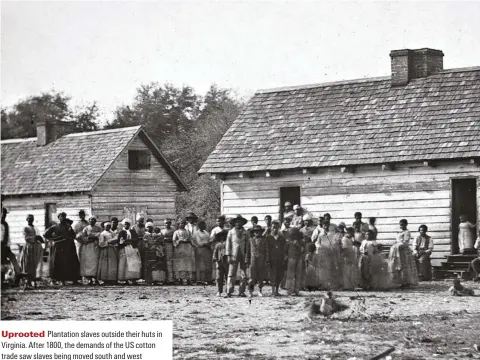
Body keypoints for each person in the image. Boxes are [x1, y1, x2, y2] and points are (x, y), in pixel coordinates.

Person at [44, 212, 81, 285]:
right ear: (59, 218)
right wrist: (53, 239)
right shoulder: (54, 227)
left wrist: (69, 237)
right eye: (61, 216)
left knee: (70, 262)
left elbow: (73, 235)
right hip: (59, 247)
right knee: (59, 263)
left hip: (68, 247)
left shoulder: (68, 226)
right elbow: (45, 234)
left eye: (64, 216)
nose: (63, 218)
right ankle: (61, 280)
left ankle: (73, 280)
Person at [388, 219, 418, 288]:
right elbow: (397, 241)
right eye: (400, 224)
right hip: (397, 250)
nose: (401, 226)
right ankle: (401, 281)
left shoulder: (407, 232)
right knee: (398, 265)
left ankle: (407, 282)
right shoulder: (399, 232)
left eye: (403, 224)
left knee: (405, 266)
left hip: (403, 250)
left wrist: (396, 246)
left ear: (406, 224)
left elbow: (405, 242)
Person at [225, 215, 249, 297]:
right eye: (237, 222)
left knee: (243, 274)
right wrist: (228, 255)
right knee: (231, 273)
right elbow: (228, 244)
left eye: (240, 222)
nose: (238, 223)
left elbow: (248, 246)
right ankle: (229, 291)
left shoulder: (246, 233)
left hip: (243, 254)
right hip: (233, 254)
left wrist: (247, 257)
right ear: (234, 223)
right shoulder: (231, 232)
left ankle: (241, 291)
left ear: (243, 223)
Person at [312, 222, 341, 290]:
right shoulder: (320, 234)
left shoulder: (332, 234)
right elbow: (317, 243)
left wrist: (331, 247)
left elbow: (334, 242)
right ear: (323, 226)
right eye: (324, 225)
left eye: (327, 225)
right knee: (322, 268)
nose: (326, 227)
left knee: (330, 268)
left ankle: (330, 285)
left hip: (330, 252)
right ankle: (322, 284)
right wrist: (320, 247)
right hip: (322, 252)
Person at [20, 214, 44, 288]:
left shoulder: (35, 228)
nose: (30, 220)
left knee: (35, 263)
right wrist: (35, 237)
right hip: (29, 247)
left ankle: (34, 280)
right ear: (26, 219)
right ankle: (28, 281)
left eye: (31, 218)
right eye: (28, 218)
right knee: (28, 264)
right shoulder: (25, 228)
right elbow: (26, 238)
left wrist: (39, 239)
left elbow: (40, 238)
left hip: (36, 247)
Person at [1, 208, 22, 287]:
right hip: (1, 246)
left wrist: (7, 244)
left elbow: (7, 237)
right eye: (3, 214)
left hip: (6, 246)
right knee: (2, 263)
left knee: (13, 259)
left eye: (5, 214)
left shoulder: (5, 224)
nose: (4, 216)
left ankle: (17, 278)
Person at [78, 216, 102, 285]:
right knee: (88, 262)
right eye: (91, 220)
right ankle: (89, 279)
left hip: (96, 246)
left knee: (95, 261)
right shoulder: (86, 228)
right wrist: (90, 238)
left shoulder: (98, 228)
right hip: (88, 247)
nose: (92, 221)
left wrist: (94, 237)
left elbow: (100, 235)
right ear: (89, 221)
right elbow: (83, 237)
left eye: (94, 220)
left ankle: (95, 278)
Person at [117, 219, 141, 285]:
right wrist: (126, 241)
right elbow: (121, 241)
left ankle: (133, 278)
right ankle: (125, 278)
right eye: (125, 224)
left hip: (132, 248)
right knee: (125, 263)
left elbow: (136, 239)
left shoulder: (133, 231)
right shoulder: (122, 232)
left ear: (129, 225)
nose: (126, 225)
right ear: (123, 225)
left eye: (128, 224)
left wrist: (129, 241)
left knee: (133, 263)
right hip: (125, 248)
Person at [266, 220, 287, 296]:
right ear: (271, 228)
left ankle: (277, 291)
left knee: (279, 274)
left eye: (276, 228)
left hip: (280, 258)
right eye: (273, 227)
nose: (275, 229)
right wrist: (268, 259)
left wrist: (284, 257)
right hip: (272, 259)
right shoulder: (268, 238)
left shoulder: (281, 238)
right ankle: (273, 291)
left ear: (278, 228)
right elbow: (267, 249)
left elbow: (284, 248)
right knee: (272, 275)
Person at [246, 225, 268, 297]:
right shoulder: (250, 240)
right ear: (253, 232)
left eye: (259, 231)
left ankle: (259, 290)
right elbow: (248, 251)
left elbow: (266, 251)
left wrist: (266, 260)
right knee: (252, 276)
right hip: (253, 259)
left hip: (261, 259)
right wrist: (247, 260)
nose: (257, 233)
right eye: (256, 232)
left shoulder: (264, 240)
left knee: (261, 276)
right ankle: (251, 291)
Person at [173, 220, 196, 284]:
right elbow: (174, 240)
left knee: (188, 263)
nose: (182, 225)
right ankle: (179, 278)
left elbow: (191, 240)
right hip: (179, 248)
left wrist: (189, 241)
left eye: (183, 223)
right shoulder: (176, 232)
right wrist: (179, 241)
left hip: (187, 248)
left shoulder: (188, 232)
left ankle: (188, 279)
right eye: (180, 224)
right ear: (178, 224)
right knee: (180, 263)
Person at [285, 227, 305, 296]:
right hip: (291, 258)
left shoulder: (301, 242)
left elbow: (303, 250)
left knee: (297, 275)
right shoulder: (288, 241)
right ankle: (290, 290)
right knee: (290, 275)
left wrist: (298, 245)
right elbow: (285, 250)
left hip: (298, 258)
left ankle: (296, 290)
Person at [210, 216, 228, 281]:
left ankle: (226, 278)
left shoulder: (227, 229)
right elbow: (211, 239)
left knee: (226, 264)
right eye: (217, 221)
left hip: (226, 247)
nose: (218, 222)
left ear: (223, 221)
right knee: (218, 263)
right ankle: (217, 278)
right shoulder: (214, 230)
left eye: (220, 221)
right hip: (217, 247)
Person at [212, 229, 229, 297]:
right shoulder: (218, 245)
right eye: (221, 236)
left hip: (227, 262)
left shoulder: (228, 244)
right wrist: (215, 258)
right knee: (219, 277)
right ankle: (219, 291)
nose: (222, 237)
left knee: (227, 277)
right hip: (219, 262)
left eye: (224, 236)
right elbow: (215, 253)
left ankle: (227, 291)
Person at [161, 219, 175, 284]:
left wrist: (169, 239)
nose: (167, 224)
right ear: (164, 224)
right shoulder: (162, 231)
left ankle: (171, 279)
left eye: (169, 223)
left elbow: (174, 239)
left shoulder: (173, 230)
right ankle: (164, 278)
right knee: (164, 262)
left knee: (170, 262)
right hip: (163, 247)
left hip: (170, 246)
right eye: (166, 223)